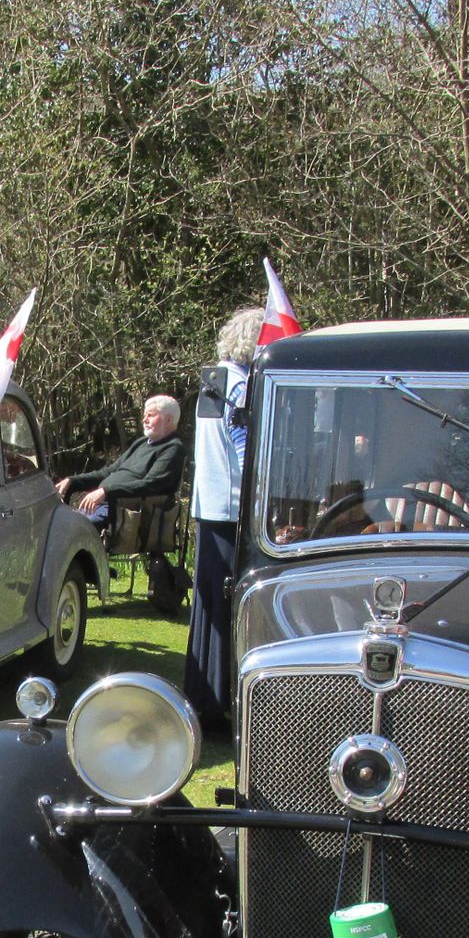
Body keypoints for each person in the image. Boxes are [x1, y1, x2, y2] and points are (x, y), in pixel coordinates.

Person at [183, 307, 260, 727]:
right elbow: (240, 435)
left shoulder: (214, 379)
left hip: (210, 507)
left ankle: (205, 695)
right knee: (228, 602)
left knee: (210, 602)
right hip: (232, 508)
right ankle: (218, 703)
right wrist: (259, 480)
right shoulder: (241, 385)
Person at [56, 394, 186, 526]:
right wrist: (73, 481)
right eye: (145, 415)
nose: (144, 420)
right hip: (102, 506)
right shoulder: (141, 443)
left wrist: (107, 491)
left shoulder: (172, 448)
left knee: (72, 529)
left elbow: (151, 485)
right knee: (57, 523)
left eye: (151, 415)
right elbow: (108, 472)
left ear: (169, 419)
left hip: (123, 514)